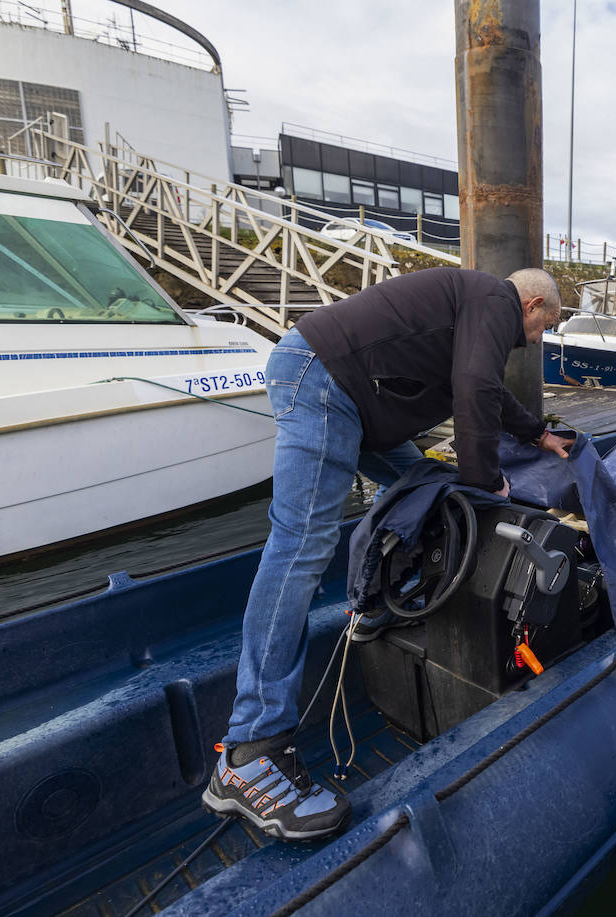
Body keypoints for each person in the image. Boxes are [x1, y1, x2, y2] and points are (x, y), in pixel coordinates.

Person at [202, 266, 571, 841]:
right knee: (301, 549)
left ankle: (380, 603)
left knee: (422, 481)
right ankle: (250, 749)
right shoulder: (494, 300)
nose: (537, 339)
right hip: (324, 382)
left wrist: (536, 434)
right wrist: (485, 480)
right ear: (530, 304)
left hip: (350, 396)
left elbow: (490, 395)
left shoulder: (473, 306)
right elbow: (474, 386)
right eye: (543, 327)